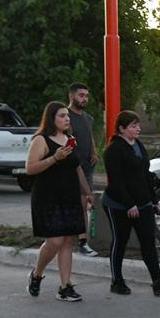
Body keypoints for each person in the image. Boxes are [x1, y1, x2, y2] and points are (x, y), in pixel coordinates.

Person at [102, 111, 160, 296]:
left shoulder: (137, 144)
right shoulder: (113, 149)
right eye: (133, 126)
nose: (138, 128)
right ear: (122, 129)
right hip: (118, 204)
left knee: (148, 242)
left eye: (138, 125)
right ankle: (117, 281)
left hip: (142, 202)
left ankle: (158, 281)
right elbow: (115, 181)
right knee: (120, 241)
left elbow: (145, 174)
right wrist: (129, 205)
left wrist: (153, 201)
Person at [25, 101, 93, 302]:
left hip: (69, 195)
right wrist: (55, 158)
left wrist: (87, 192)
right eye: (62, 116)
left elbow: (77, 167)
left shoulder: (70, 139)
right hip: (47, 197)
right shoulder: (41, 140)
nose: (67, 119)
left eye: (67, 116)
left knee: (67, 241)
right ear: (51, 118)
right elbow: (30, 168)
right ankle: (36, 274)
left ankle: (65, 286)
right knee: (54, 240)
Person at [67, 82, 99, 257]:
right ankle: (80, 241)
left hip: (87, 167)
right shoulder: (66, 116)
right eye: (81, 95)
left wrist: (93, 151)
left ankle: (81, 240)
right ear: (71, 96)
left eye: (86, 96)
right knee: (80, 203)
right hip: (71, 168)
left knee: (84, 203)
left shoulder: (87, 117)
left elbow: (90, 135)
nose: (84, 99)